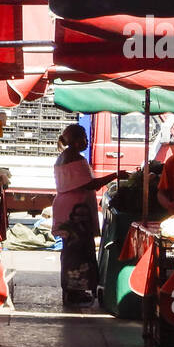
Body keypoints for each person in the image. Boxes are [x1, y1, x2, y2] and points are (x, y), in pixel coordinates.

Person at [52, 123, 126, 306]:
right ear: (76, 140)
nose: (86, 141)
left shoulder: (67, 156)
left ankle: (73, 291)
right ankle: (73, 293)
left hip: (70, 211)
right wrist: (116, 175)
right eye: (84, 137)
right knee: (77, 252)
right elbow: (90, 184)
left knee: (72, 251)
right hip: (74, 214)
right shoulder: (74, 158)